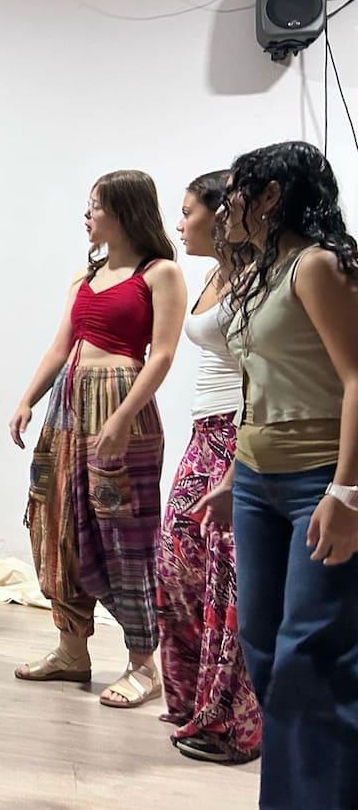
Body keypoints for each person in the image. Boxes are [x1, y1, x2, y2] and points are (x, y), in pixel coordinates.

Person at [198, 141, 358, 807]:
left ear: (271, 195)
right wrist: (235, 476)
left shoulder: (317, 266)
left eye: (237, 189)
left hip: (318, 481)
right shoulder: (262, 274)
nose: (224, 206)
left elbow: (357, 378)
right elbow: (258, 384)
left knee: (309, 652)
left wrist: (347, 492)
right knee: (262, 647)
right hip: (258, 482)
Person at [9, 170, 186, 707]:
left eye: (96, 206)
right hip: (68, 407)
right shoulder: (84, 278)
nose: (87, 216)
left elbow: (162, 355)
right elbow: (60, 347)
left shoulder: (160, 274)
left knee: (124, 533)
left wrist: (124, 416)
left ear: (125, 211)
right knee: (58, 522)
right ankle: (72, 650)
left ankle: (143, 664)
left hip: (121, 405)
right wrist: (27, 398)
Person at [155, 171, 261, 763]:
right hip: (205, 433)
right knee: (176, 564)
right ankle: (194, 699)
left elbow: (261, 375)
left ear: (221, 215)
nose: (180, 223)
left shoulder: (256, 280)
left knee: (227, 579)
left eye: (188, 211)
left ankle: (232, 722)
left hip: (236, 436)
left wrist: (237, 466)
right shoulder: (214, 275)